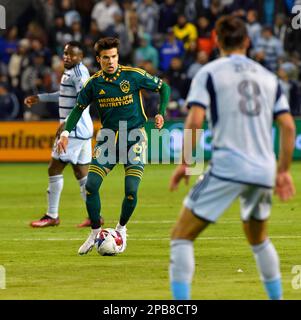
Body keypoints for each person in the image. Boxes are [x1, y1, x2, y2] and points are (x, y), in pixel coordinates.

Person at [169, 16, 296, 300]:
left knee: (181, 236)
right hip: (263, 170)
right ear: (247, 41)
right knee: (259, 239)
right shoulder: (268, 77)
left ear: (216, 39)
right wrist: (283, 171)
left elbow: (195, 120)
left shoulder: (209, 72)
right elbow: (288, 125)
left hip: (228, 167)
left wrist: (186, 162)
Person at [56, 37, 170, 255]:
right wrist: (66, 133)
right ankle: (95, 232)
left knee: (131, 191)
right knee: (91, 185)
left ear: (118, 56)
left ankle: (121, 229)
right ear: (98, 59)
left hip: (134, 137)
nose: (111, 61)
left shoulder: (133, 75)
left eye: (114, 56)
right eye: (106, 58)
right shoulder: (94, 83)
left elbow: (163, 87)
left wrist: (161, 112)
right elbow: (78, 109)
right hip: (108, 138)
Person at [24, 41, 95, 228]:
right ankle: (95, 216)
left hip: (74, 130)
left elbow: (84, 100)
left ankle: (52, 215)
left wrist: (66, 124)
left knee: (54, 169)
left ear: (80, 57)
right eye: (65, 53)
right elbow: (63, 95)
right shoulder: (71, 71)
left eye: (72, 54)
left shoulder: (79, 73)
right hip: (82, 131)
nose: (67, 57)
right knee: (81, 173)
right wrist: (40, 97)